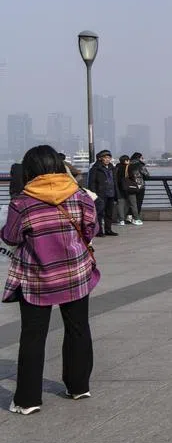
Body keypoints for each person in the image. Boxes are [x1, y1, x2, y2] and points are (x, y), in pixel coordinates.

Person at [3, 145, 100, 414]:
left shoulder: (22, 203)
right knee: (78, 328)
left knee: (33, 336)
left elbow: (10, 237)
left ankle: (28, 400)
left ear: (30, 170)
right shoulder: (79, 196)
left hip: (36, 278)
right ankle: (78, 386)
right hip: (75, 274)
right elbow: (92, 228)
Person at [86, 150, 118, 237]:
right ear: (101, 159)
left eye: (109, 158)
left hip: (111, 193)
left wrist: (117, 193)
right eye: (105, 158)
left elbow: (115, 181)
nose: (108, 159)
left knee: (109, 213)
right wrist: (94, 194)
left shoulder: (112, 168)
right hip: (100, 194)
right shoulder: (95, 168)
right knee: (100, 213)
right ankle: (99, 231)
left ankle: (108, 229)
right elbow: (91, 182)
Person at [126, 153, 149, 224]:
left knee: (132, 202)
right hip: (140, 186)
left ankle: (129, 216)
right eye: (142, 157)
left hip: (130, 186)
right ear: (139, 158)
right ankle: (136, 218)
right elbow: (147, 175)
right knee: (138, 202)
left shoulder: (128, 165)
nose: (143, 159)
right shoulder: (140, 165)